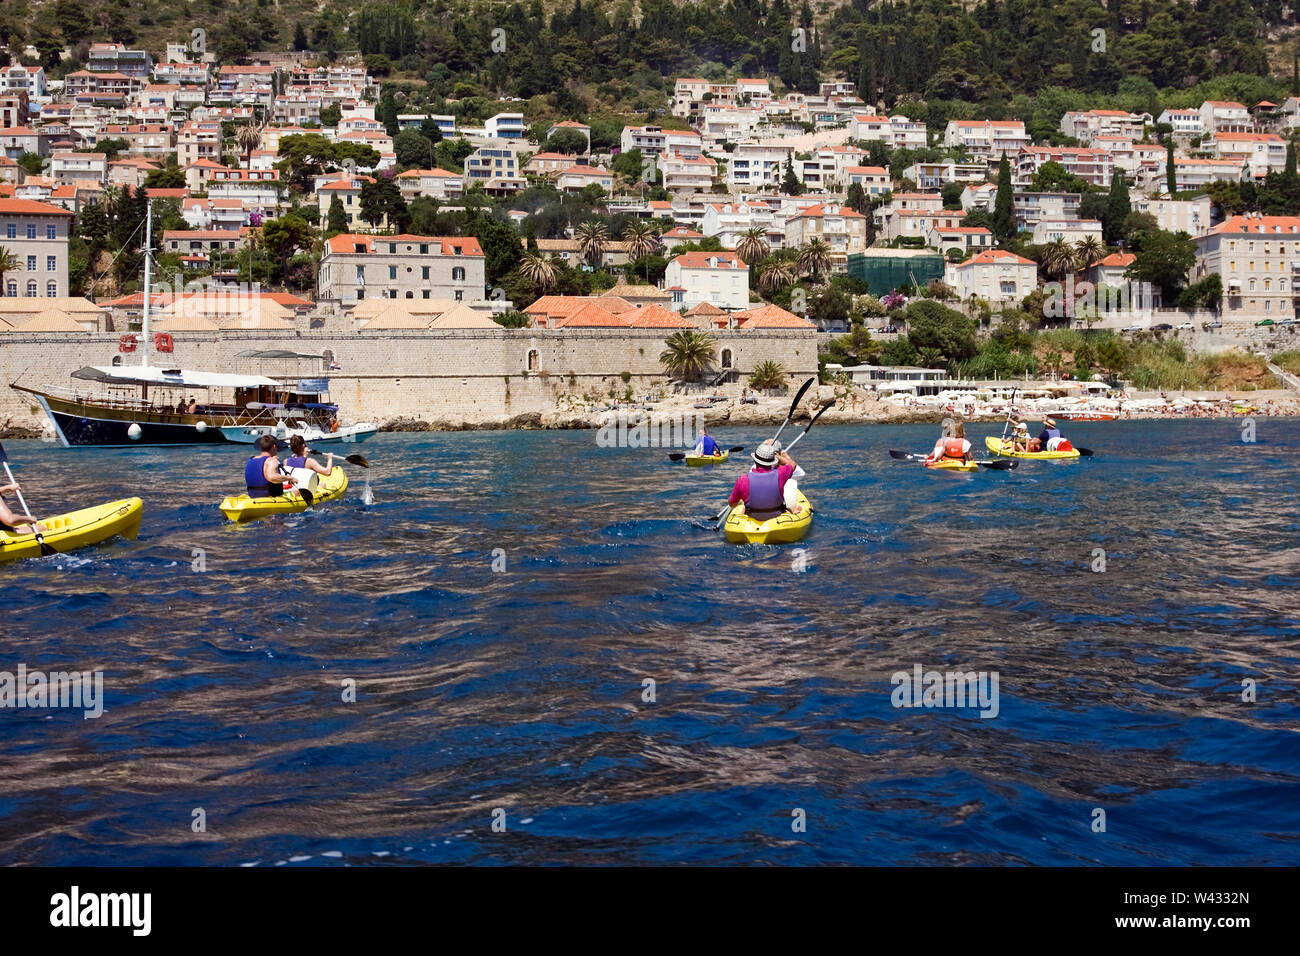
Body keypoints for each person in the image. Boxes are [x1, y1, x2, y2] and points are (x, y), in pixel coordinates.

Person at [728, 441, 805, 519]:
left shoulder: (742, 480)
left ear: (755, 460)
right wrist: (778, 457)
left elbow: (732, 504)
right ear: (773, 461)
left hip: (753, 515)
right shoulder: (781, 473)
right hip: (776, 515)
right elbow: (792, 464)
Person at [244, 435, 295, 499]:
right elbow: (272, 477)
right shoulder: (271, 461)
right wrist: (290, 478)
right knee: (296, 492)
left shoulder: (251, 459)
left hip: (253, 496)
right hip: (270, 497)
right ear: (274, 446)